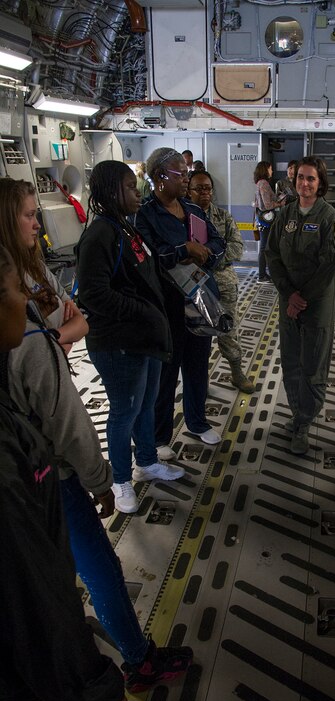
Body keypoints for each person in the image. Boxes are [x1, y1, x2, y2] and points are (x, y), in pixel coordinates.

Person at [0, 245, 141, 701]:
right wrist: (94, 685)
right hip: (26, 683)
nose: (26, 304)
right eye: (15, 292)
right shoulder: (9, 453)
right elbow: (38, 592)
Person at [77, 160, 186, 514]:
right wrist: (142, 311)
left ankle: (148, 462)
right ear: (111, 192)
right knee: (124, 413)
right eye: (128, 186)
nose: (136, 192)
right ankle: (121, 479)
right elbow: (93, 294)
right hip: (119, 344)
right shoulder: (99, 235)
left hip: (145, 339)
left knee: (145, 405)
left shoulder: (125, 227)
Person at [135, 147, 226, 456]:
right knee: (166, 372)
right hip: (167, 304)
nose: (186, 179)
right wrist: (184, 250)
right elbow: (149, 257)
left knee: (198, 366)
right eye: (181, 174)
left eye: (187, 174)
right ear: (161, 178)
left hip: (200, 300)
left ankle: (197, 422)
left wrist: (205, 254)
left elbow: (218, 241)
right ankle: (160, 437)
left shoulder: (193, 210)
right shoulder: (145, 215)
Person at [266, 156, 335, 455]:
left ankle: (304, 423)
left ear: (320, 183)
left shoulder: (330, 219)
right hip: (289, 301)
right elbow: (272, 255)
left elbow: (329, 264)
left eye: (311, 178)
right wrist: (288, 293)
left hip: (315, 304)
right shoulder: (285, 214)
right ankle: (298, 413)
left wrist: (301, 299)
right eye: (301, 177)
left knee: (312, 366)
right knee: (291, 363)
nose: (305, 183)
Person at [0, 178, 89, 354]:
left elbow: (81, 324)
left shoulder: (36, 268)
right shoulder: (5, 282)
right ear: (7, 221)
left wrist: (52, 339)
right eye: (29, 215)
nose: (37, 224)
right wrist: (62, 337)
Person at [188, 169, 255, 394]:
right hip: (194, 284)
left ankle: (237, 373)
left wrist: (210, 258)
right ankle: (200, 379)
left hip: (223, 282)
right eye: (199, 189)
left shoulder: (223, 217)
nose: (205, 193)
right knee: (199, 335)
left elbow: (236, 247)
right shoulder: (181, 217)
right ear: (189, 191)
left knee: (228, 330)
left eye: (208, 188)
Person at [254, 160, 282, 283]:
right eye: (270, 168)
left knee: (264, 247)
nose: (272, 171)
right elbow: (268, 205)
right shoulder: (264, 183)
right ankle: (261, 275)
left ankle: (263, 274)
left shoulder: (259, 183)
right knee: (264, 247)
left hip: (262, 218)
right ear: (265, 170)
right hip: (266, 219)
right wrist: (280, 203)